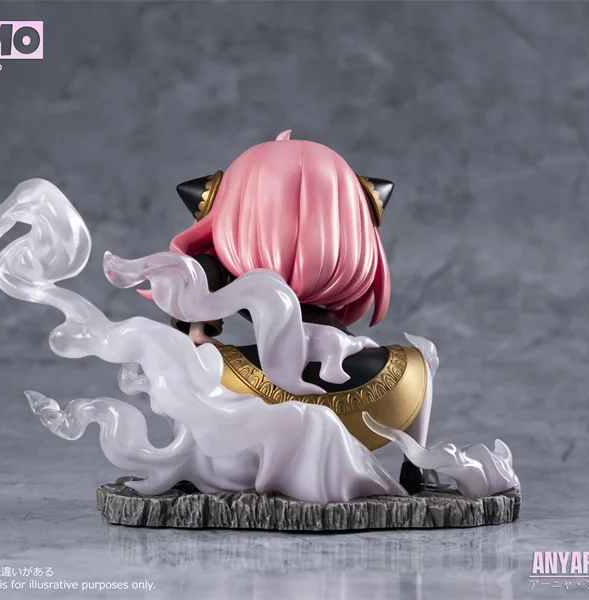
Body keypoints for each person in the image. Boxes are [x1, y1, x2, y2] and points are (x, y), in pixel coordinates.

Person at [139, 130, 432, 494]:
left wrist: (196, 325)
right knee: (422, 361)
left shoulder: (224, 285)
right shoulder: (409, 374)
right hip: (385, 403)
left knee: (193, 368)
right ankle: (417, 467)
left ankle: (194, 467)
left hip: (254, 404)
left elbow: (191, 323)